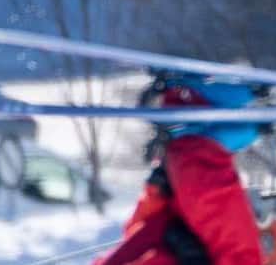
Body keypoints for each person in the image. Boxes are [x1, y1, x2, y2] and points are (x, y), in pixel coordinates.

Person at [95, 72, 266, 265]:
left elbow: (145, 230)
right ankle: (185, 94)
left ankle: (187, 92)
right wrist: (157, 190)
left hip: (194, 180)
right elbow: (144, 230)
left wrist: (157, 189)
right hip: (187, 177)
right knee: (204, 146)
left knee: (203, 152)